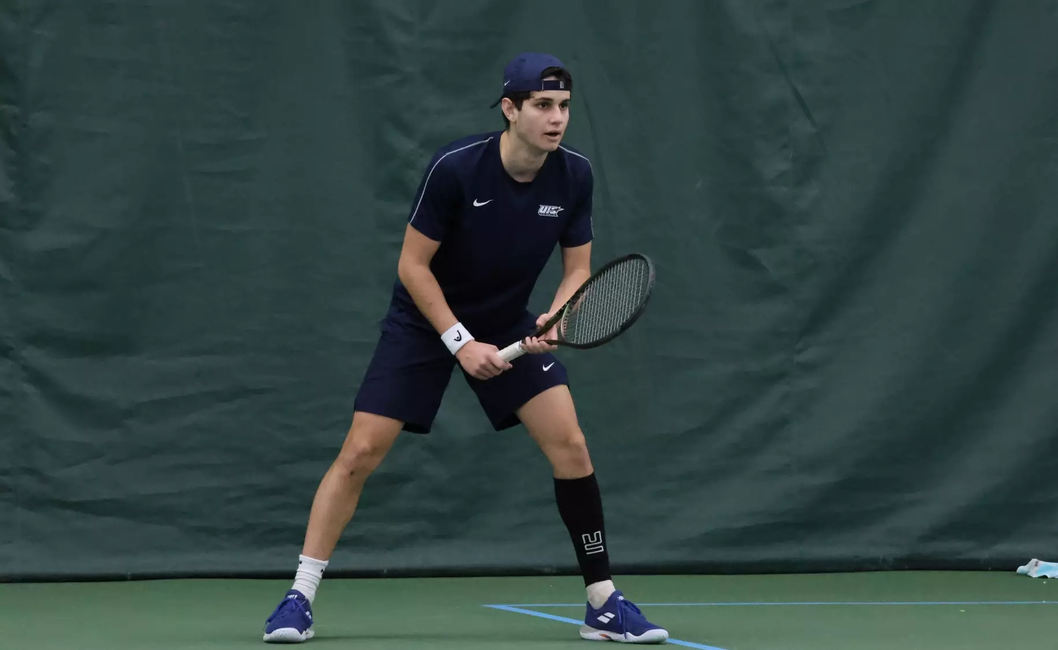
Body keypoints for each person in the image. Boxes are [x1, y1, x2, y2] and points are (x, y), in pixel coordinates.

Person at [262, 52, 668, 645]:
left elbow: (577, 269)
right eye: (543, 106)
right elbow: (412, 265)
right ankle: (299, 596)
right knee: (360, 451)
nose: (557, 119)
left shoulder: (574, 174)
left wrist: (557, 317)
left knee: (572, 446)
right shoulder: (456, 168)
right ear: (510, 109)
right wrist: (459, 342)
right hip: (424, 324)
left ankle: (603, 604)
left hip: (508, 319)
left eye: (564, 108)